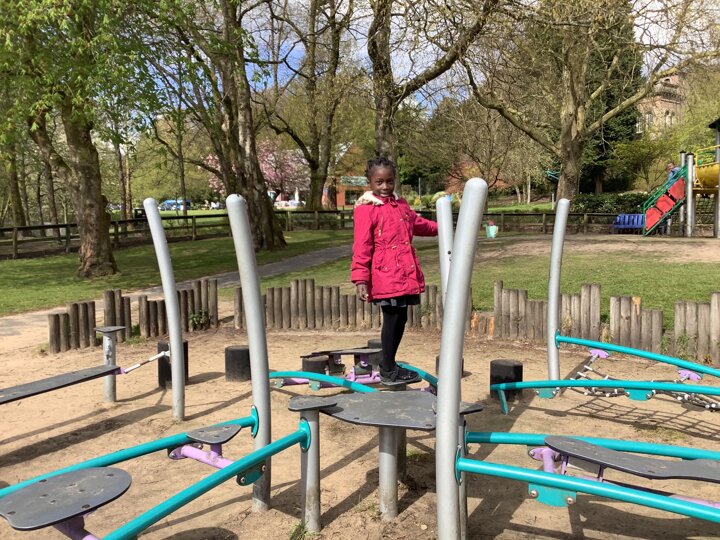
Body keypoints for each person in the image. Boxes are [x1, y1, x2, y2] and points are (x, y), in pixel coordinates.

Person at [351, 157, 438, 385]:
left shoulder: (401, 205)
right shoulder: (366, 209)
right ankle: (388, 369)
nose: (385, 186)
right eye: (379, 182)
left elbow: (417, 224)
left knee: (401, 318)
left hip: (404, 271)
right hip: (385, 273)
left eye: (389, 181)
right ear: (370, 181)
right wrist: (361, 279)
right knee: (392, 318)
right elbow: (362, 246)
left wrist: (444, 227)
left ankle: (390, 364)